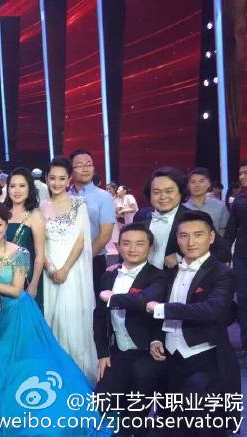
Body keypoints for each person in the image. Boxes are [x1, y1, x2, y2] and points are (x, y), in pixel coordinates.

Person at [0, 203, 105, 436]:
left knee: (16, 362)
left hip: (17, 316)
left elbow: (16, 290)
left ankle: (27, 411)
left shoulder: (19, 253)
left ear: (6, 226)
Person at [146, 211, 241, 435]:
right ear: (177, 239)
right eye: (184, 236)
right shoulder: (170, 271)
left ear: (211, 237)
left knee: (201, 423)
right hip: (170, 357)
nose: (190, 242)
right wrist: (156, 339)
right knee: (170, 421)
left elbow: (214, 310)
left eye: (198, 235)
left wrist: (163, 309)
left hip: (204, 357)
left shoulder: (222, 273)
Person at [93, 223, 167, 432]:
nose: (132, 249)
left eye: (139, 244)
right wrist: (103, 353)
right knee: (102, 401)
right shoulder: (108, 276)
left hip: (146, 352)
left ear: (150, 247)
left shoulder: (158, 276)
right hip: (118, 352)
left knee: (137, 413)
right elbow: (99, 317)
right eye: (126, 243)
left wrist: (112, 298)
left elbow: (143, 301)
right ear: (118, 247)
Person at [41, 156, 98, 383]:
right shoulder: (41, 207)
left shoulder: (79, 204)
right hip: (50, 271)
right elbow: (40, 244)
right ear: (46, 179)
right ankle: (59, 379)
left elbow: (81, 240)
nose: (56, 183)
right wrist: (50, 268)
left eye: (61, 178)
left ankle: (79, 379)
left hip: (73, 271)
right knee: (54, 319)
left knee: (73, 322)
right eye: (52, 178)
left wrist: (64, 269)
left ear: (69, 180)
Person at [69, 149, 115, 298]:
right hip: (66, 261)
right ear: (70, 170)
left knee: (93, 304)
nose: (85, 168)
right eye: (80, 165)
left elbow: (105, 235)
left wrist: (83, 259)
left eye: (89, 164)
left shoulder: (104, 197)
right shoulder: (64, 196)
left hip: (94, 260)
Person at [4, 167, 46, 311]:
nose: (17, 190)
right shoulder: (2, 213)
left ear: (29, 189)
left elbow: (40, 256)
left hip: (27, 277)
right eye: (13, 186)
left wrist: (34, 284)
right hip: (3, 276)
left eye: (22, 186)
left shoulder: (35, 216)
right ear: (8, 189)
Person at [225, 160, 247, 354]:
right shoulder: (239, 201)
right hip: (242, 256)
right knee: (243, 299)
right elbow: (231, 230)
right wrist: (225, 255)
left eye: (245, 173)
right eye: (240, 173)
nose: (242, 177)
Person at [183, 167, 229, 235]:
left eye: (201, 181)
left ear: (209, 184)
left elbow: (224, 230)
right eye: (193, 182)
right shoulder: (181, 208)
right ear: (188, 185)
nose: (197, 185)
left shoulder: (220, 206)